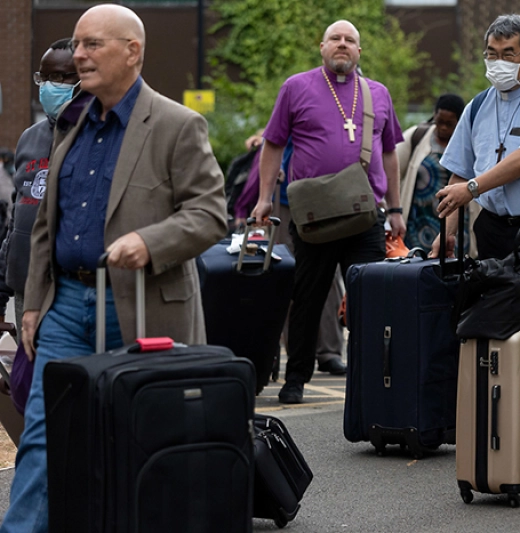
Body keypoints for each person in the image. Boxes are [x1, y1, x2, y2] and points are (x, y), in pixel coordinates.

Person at [1, 5, 227, 531]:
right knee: (43, 436)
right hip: (64, 309)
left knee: (145, 437)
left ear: (133, 51)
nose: (78, 55)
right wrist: (34, 302)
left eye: (92, 44)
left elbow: (210, 214)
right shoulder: (69, 125)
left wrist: (150, 242)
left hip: (140, 306)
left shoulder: (177, 124)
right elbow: (43, 226)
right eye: (77, 44)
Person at [251, 20, 405, 404]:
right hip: (314, 216)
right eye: (335, 39)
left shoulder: (377, 93)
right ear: (322, 47)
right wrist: (264, 197)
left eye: (350, 40)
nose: (342, 44)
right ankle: (296, 378)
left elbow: (389, 153)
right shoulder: (296, 87)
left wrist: (397, 208)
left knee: (368, 301)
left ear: (359, 51)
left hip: (365, 215)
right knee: (307, 298)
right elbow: (272, 144)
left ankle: (371, 378)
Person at [431, 13, 520, 262]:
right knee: (491, 299)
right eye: (491, 54)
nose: (498, 62)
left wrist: (473, 188)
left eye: (508, 54)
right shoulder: (477, 106)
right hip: (490, 227)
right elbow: (459, 173)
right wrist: (447, 232)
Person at [237, 133, 348, 376]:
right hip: (287, 198)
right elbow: (273, 143)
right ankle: (284, 350)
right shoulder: (293, 98)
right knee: (287, 273)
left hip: (328, 199)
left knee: (328, 275)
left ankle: (329, 351)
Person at [0, 38, 79, 334]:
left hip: (70, 291)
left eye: (58, 77)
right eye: (43, 77)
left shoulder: (94, 136)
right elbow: (15, 223)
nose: (48, 85)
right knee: (29, 376)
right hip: (25, 290)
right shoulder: (29, 138)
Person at [396, 93, 466, 255]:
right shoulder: (416, 137)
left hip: (454, 222)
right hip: (418, 219)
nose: (443, 128)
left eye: (449, 124)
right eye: (439, 122)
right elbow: (393, 171)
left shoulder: (468, 144)